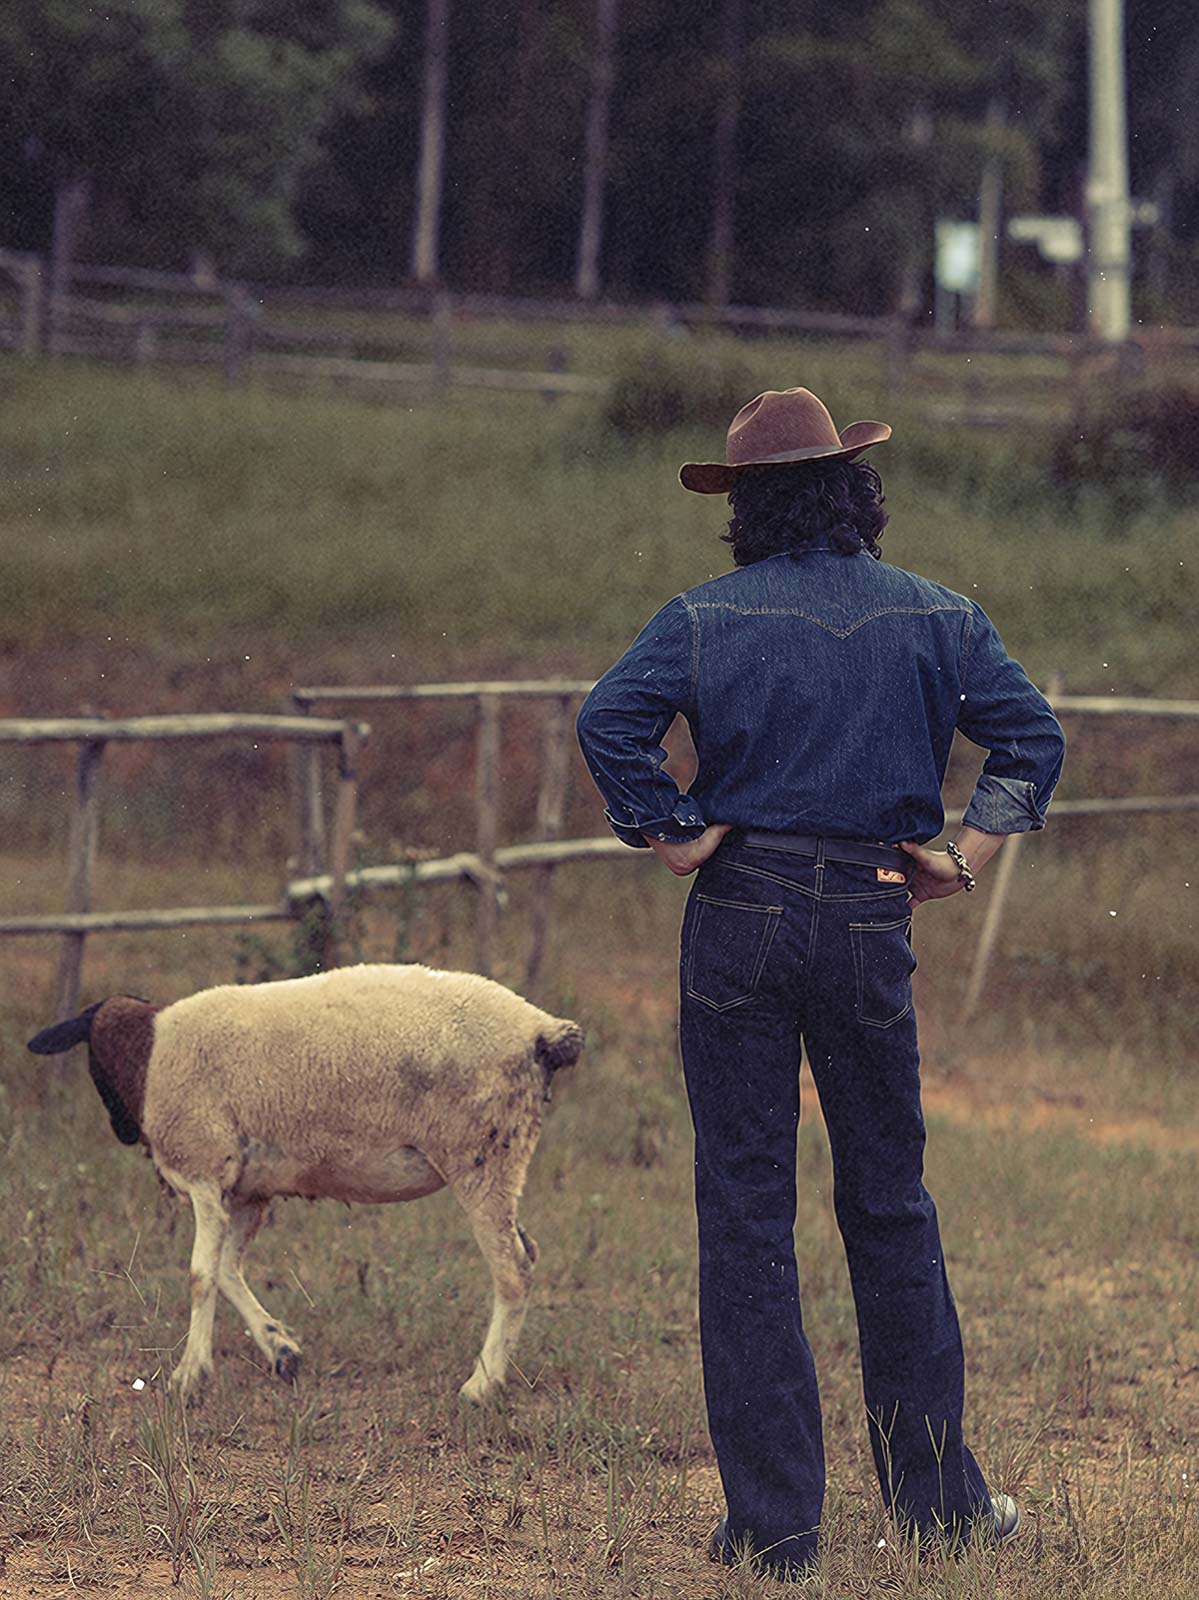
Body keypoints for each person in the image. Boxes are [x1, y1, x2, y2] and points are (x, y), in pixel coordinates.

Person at [575, 387, 1065, 1579]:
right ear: (853, 489)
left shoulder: (700, 619)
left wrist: (672, 828)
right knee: (887, 1202)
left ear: (743, 506)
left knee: (745, 1213)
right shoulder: (937, 616)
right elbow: (1030, 739)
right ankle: (941, 1511)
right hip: (863, 910)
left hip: (738, 909)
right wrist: (957, 856)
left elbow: (606, 722)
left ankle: (773, 1530)